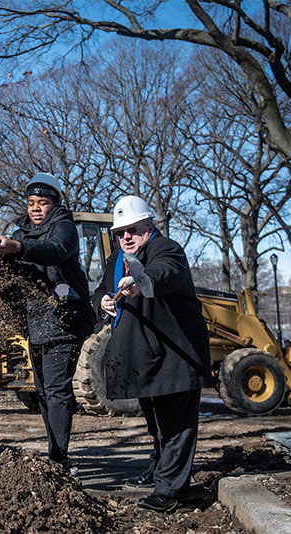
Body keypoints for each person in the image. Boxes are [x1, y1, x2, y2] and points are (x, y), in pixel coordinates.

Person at [93, 195, 211, 513]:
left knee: (176, 425)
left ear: (149, 225)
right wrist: (102, 301)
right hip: (145, 356)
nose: (126, 237)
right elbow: (100, 291)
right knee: (157, 425)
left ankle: (170, 492)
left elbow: (165, 272)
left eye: (133, 229)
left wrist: (142, 281)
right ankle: (161, 474)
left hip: (176, 355)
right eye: (120, 232)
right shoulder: (116, 259)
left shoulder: (166, 249)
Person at [0, 173, 95, 474]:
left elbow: (54, 252)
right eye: (31, 203)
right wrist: (2, 257)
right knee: (43, 391)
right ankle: (55, 453)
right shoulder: (21, 231)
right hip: (35, 322)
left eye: (43, 203)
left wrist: (17, 249)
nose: (36, 208)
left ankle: (60, 459)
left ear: (54, 205)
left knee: (57, 390)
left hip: (64, 320)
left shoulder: (64, 228)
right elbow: (12, 266)